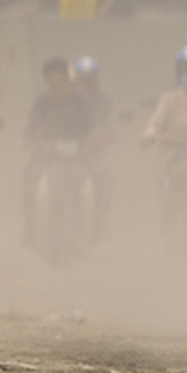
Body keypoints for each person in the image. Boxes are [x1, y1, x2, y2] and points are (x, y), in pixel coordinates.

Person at [23, 56, 94, 246]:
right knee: (29, 178)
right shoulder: (42, 101)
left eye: (59, 80)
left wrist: (91, 144)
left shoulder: (81, 100)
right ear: (46, 81)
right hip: (48, 155)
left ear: (67, 79)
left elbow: (92, 127)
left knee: (100, 180)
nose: (55, 85)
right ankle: (30, 231)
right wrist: (33, 142)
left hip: (78, 156)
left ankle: (95, 229)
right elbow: (31, 127)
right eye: (50, 81)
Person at [73, 56, 113, 241]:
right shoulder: (66, 97)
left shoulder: (103, 100)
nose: (86, 83)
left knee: (102, 178)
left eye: (90, 79)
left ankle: (98, 223)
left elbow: (103, 126)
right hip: (67, 148)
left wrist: (95, 142)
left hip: (94, 149)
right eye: (83, 78)